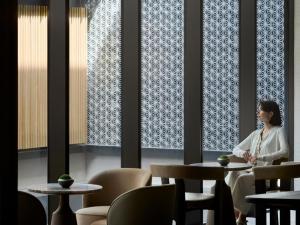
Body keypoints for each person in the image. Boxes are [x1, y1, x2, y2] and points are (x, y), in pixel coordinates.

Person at [226, 100, 289, 225]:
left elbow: (285, 151)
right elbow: (236, 148)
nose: (257, 113)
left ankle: (239, 215)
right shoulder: (256, 133)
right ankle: (237, 214)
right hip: (251, 172)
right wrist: (243, 153)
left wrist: (261, 157)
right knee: (233, 175)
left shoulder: (278, 131)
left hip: (265, 174)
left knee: (242, 178)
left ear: (270, 114)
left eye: (260, 110)